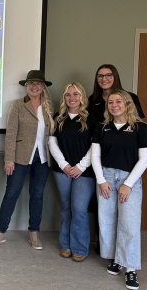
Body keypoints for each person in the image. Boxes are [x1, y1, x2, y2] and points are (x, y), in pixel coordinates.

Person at [91, 90, 147, 290]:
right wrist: (101, 180)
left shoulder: (141, 128)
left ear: (127, 104)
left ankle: (130, 268)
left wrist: (128, 183)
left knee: (130, 223)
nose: (114, 105)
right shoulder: (101, 127)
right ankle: (116, 259)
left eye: (119, 101)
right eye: (111, 102)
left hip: (130, 179)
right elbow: (95, 156)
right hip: (106, 178)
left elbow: (144, 159)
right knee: (107, 220)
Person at [0, 70, 54, 249]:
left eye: (38, 84)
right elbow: (11, 134)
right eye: (30, 83)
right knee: (11, 193)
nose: (34, 87)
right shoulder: (18, 105)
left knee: (37, 195)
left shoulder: (49, 107)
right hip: (19, 157)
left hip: (42, 158)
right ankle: (1, 233)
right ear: (26, 86)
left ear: (43, 87)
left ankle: (34, 234)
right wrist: (9, 158)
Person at [48, 83, 95, 262]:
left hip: (85, 171)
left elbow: (94, 146)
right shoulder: (58, 118)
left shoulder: (92, 119)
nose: (72, 98)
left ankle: (80, 248)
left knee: (79, 209)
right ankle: (66, 245)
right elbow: (52, 143)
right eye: (68, 95)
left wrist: (80, 166)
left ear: (82, 96)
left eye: (76, 94)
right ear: (64, 98)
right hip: (62, 171)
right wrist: (64, 165)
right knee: (66, 208)